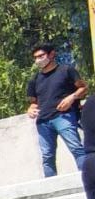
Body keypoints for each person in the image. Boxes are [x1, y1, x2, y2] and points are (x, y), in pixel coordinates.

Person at [27, 44, 87, 178]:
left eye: (41, 56)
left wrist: (71, 98)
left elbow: (83, 88)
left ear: (51, 54)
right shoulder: (34, 79)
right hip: (43, 121)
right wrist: (30, 110)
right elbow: (33, 103)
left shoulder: (66, 70)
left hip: (64, 117)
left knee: (76, 149)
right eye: (35, 58)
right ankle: (51, 187)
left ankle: (88, 180)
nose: (38, 60)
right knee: (47, 157)